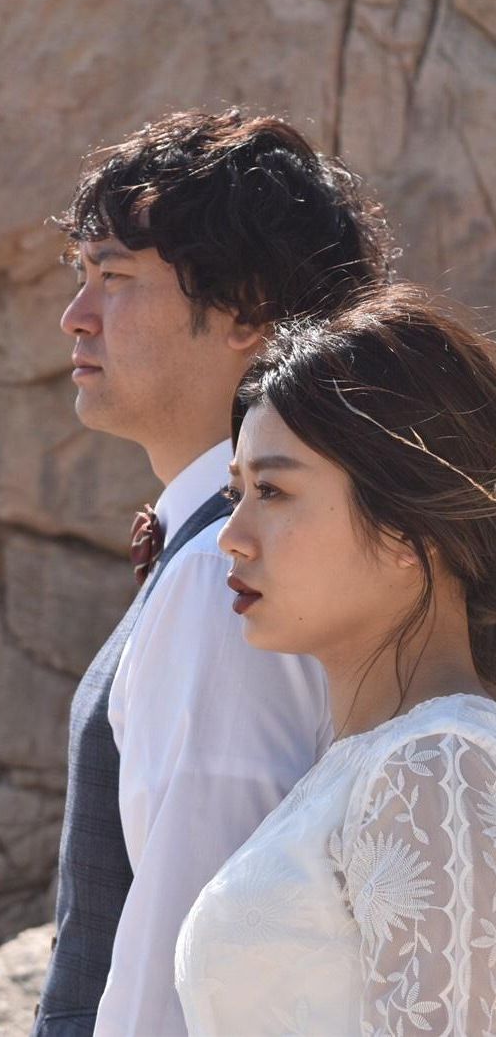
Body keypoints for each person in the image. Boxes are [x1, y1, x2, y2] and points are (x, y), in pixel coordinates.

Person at [32, 108, 396, 1037]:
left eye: (114, 276)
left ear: (247, 310)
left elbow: (191, 960)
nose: (76, 316)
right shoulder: (256, 553)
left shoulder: (227, 578)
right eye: (81, 275)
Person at [176, 289, 496, 1035]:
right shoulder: (375, 763)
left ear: (406, 527)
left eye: (273, 491)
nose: (230, 535)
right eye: (235, 493)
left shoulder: (437, 761)